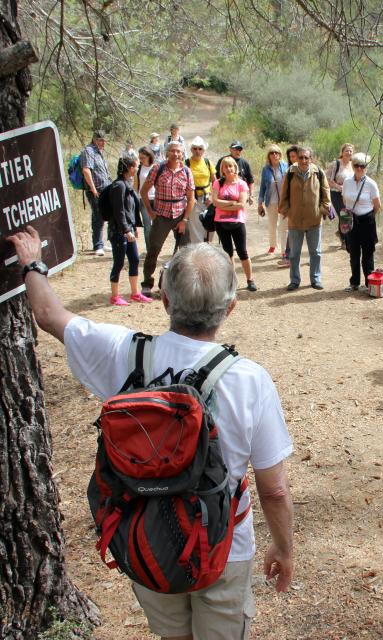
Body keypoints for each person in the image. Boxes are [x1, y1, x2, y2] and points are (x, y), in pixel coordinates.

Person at [8, 228, 294, 640]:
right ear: (231, 308)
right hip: (222, 544)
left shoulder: (125, 353)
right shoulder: (250, 380)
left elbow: (49, 315)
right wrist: (283, 547)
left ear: (164, 300)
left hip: (147, 537)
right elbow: (275, 490)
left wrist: (33, 263)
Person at [140, 141, 195, 296]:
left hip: (180, 214)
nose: (176, 154)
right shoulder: (158, 168)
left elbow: (191, 199)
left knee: (184, 252)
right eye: (172, 151)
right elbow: (144, 191)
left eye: (178, 151)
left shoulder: (186, 172)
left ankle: (180, 284)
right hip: (162, 215)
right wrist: (151, 212)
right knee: (154, 249)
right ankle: (147, 284)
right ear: (166, 152)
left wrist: (184, 221)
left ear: (182, 154)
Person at [279, 146, 331, 291]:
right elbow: (283, 196)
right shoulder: (290, 173)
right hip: (295, 221)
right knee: (294, 254)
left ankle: (315, 279)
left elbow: (326, 194)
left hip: (314, 220)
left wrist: (321, 210)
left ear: (311, 159)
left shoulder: (318, 172)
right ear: (297, 158)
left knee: (316, 252)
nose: (303, 160)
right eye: (300, 157)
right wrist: (287, 212)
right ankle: (294, 280)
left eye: (306, 158)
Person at [107, 157, 152, 306]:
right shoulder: (119, 186)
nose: (136, 169)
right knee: (118, 263)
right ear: (129, 168)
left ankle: (135, 293)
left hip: (128, 230)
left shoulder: (127, 184)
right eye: (135, 167)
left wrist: (133, 227)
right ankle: (115, 296)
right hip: (119, 232)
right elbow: (118, 211)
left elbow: (130, 209)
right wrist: (126, 230)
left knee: (134, 260)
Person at [212, 156, 257, 291]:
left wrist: (223, 204)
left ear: (235, 168)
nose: (229, 168)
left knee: (243, 252)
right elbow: (215, 202)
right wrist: (233, 203)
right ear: (222, 170)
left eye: (231, 166)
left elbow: (241, 204)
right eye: (226, 166)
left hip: (237, 222)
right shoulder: (218, 183)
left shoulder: (242, 184)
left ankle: (250, 280)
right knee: (227, 254)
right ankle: (231, 281)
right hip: (221, 223)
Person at [342, 152, 382, 292]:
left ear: (366, 167)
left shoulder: (371, 184)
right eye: (356, 165)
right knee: (353, 253)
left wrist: (368, 217)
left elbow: (377, 205)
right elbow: (345, 201)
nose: (359, 168)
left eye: (362, 166)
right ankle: (354, 283)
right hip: (351, 221)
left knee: (368, 254)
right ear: (352, 166)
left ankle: (369, 283)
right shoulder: (347, 182)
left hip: (367, 221)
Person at [80, 129, 112, 256]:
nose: (102, 143)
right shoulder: (89, 151)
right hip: (96, 190)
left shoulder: (99, 152)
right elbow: (86, 170)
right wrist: (93, 189)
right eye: (100, 140)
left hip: (105, 189)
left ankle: (102, 243)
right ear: (94, 139)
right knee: (98, 216)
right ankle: (97, 245)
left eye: (104, 140)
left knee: (103, 215)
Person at [258, 144, 288, 255]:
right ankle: (272, 245)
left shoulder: (286, 167)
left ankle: (284, 250)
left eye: (277, 152)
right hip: (271, 202)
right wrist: (259, 203)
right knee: (272, 225)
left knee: (284, 226)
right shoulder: (265, 170)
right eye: (272, 153)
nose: (274, 155)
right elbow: (262, 187)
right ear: (269, 156)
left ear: (280, 155)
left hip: (284, 202)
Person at [185, 136, 215, 244]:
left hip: (207, 198)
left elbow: (215, 182)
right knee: (195, 226)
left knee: (210, 224)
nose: (197, 151)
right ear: (191, 149)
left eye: (200, 148)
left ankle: (207, 248)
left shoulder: (208, 162)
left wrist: (212, 197)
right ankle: (198, 251)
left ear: (203, 150)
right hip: (193, 198)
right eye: (195, 148)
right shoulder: (186, 163)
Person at [326, 143, 355, 250]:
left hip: (349, 194)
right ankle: (345, 241)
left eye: (351, 151)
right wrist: (339, 187)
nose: (349, 153)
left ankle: (341, 233)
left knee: (346, 216)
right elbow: (328, 180)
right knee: (344, 215)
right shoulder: (336, 164)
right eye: (347, 150)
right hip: (336, 193)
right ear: (342, 152)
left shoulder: (353, 164)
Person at [134, 145, 156, 250]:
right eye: (140, 158)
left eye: (143, 157)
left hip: (156, 199)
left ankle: (156, 247)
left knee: (157, 225)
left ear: (149, 156)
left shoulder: (156, 167)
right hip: (143, 199)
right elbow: (136, 185)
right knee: (147, 226)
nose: (141, 160)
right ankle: (149, 250)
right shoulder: (138, 169)